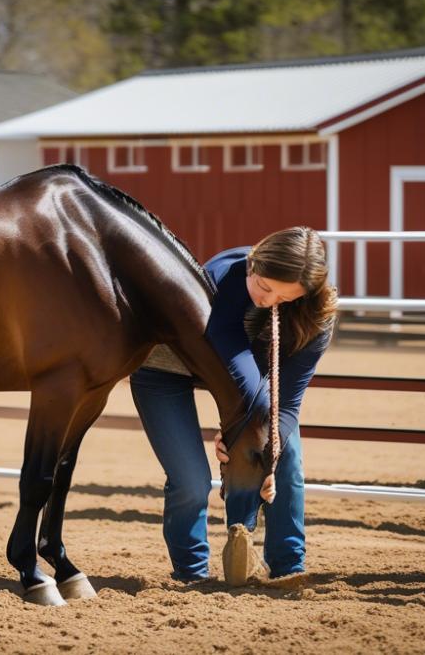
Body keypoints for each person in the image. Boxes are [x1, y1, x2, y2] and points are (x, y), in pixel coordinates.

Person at [129, 226, 337, 585]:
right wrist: (243, 429)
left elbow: (286, 402)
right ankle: (192, 573)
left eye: (286, 299)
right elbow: (228, 345)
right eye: (266, 288)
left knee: (286, 460)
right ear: (253, 266)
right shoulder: (224, 276)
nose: (271, 302)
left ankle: (288, 565)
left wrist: (265, 451)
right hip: (166, 370)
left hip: (242, 381)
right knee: (190, 480)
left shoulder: (315, 316)